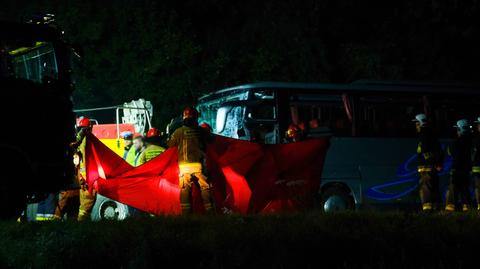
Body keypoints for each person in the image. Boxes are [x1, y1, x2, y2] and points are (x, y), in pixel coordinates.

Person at [167, 106, 214, 214]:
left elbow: (169, 145)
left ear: (184, 118)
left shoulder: (178, 132)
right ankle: (211, 213)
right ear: (196, 118)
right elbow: (211, 140)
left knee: (185, 190)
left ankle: (187, 215)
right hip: (199, 165)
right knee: (205, 188)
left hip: (184, 168)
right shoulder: (201, 131)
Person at [413, 113, 443, 211]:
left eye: (416, 123)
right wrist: (437, 163)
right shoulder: (431, 134)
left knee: (425, 188)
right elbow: (439, 150)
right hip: (431, 166)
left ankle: (427, 209)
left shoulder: (424, 134)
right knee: (434, 187)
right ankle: (436, 207)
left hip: (426, 167)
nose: (415, 126)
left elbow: (425, 150)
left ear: (420, 123)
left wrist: (431, 162)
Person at [71, 116, 97, 221]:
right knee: (84, 208)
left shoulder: (85, 141)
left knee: (84, 207)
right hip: (85, 179)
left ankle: (82, 225)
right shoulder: (88, 140)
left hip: (85, 179)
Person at [445, 119, 473, 212]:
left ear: (460, 130)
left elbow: (450, 152)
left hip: (456, 169)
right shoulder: (471, 142)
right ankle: (467, 208)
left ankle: (450, 208)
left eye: (457, 129)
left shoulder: (456, 142)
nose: (457, 132)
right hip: (466, 170)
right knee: (465, 189)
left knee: (453, 189)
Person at [54, 151, 81, 220]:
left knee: (73, 207)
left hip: (75, 188)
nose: (75, 159)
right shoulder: (67, 155)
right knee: (63, 204)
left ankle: (71, 221)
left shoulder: (77, 167)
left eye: (76, 157)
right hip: (69, 187)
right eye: (74, 157)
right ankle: (56, 220)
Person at [472, 117, 480, 210]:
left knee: (478, 187)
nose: (478, 126)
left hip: (477, 167)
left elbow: (474, 154)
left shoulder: (476, 139)